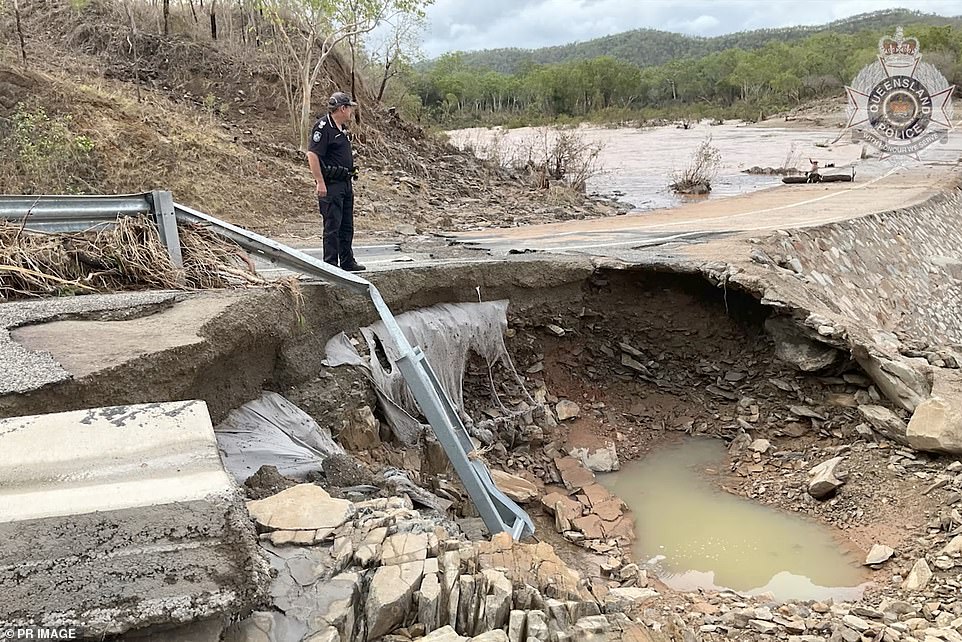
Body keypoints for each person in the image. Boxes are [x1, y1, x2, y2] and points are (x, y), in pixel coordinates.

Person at [307, 91, 365, 271]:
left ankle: (347, 261)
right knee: (332, 225)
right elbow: (312, 155)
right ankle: (331, 264)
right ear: (342, 108)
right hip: (331, 184)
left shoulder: (342, 129)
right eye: (349, 108)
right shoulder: (323, 127)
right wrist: (320, 181)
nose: (351, 112)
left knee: (347, 225)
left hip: (345, 183)